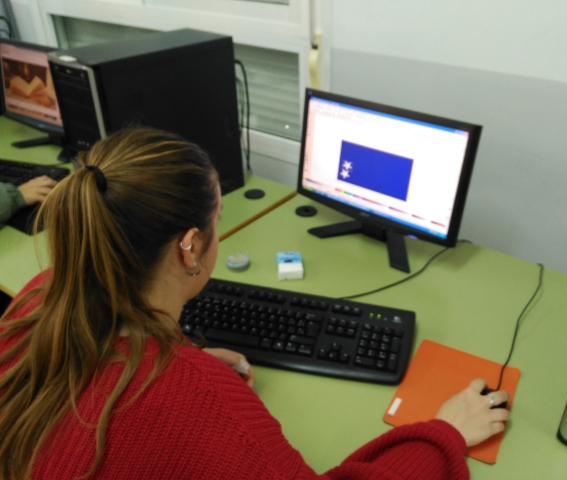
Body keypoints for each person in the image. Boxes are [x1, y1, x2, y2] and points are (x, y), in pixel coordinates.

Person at [0, 128, 510, 480]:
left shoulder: (39, 294)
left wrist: (187, 361)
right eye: (218, 218)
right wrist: (444, 434)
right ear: (190, 246)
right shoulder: (197, 398)